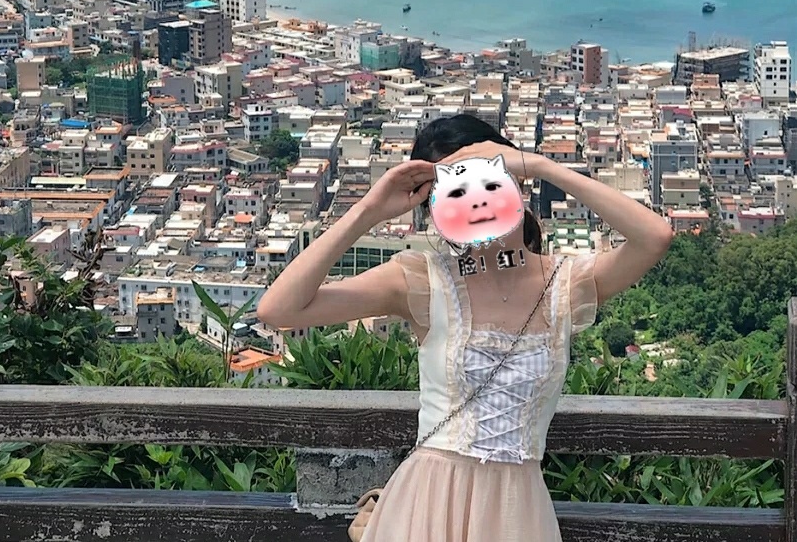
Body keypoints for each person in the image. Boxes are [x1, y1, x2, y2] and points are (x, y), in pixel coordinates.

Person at [256, 113, 673, 542]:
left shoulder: (565, 284)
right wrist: (369, 210)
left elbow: (655, 237)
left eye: (487, 180)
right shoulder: (423, 281)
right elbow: (278, 309)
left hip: (518, 514)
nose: (476, 201)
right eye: (454, 190)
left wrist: (539, 166)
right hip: (427, 508)